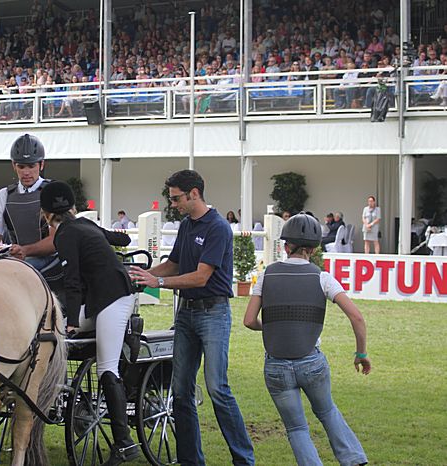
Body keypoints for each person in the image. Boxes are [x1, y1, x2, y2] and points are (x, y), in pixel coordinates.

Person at [129, 170, 255, 466]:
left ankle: (244, 459)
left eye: (176, 199)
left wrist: (156, 282)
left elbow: (200, 277)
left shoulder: (218, 227)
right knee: (180, 391)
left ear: (194, 194)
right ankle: (190, 461)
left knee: (217, 388)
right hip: (186, 314)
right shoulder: (187, 225)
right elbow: (173, 264)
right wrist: (139, 275)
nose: (173, 204)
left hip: (213, 314)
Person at [243, 213, 371, 466]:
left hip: (276, 365)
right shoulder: (322, 277)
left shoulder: (267, 275)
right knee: (327, 411)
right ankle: (354, 460)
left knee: (296, 428)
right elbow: (357, 317)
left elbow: (249, 320)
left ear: (285, 246)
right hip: (311, 362)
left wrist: (272, 327)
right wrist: (361, 354)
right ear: (312, 249)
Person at [39, 181, 137, 465]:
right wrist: (119, 240)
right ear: (72, 207)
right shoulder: (85, 224)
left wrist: (72, 322)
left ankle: (124, 443)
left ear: (46, 215)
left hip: (114, 300)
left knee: (107, 367)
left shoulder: (65, 235)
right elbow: (119, 239)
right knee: (53, 326)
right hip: (102, 298)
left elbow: (72, 282)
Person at [0, 134, 55, 270]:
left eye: (31, 166)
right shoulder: (3, 195)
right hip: (19, 260)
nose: (26, 172)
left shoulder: (53, 192)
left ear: (42, 164)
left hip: (51, 261)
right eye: (21, 167)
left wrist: (25, 250)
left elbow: (55, 241)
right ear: (14, 166)